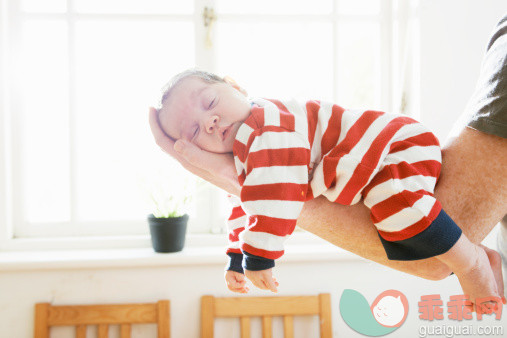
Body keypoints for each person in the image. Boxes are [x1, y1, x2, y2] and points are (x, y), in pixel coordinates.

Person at [152, 67, 504, 310]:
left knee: (399, 208)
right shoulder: (248, 157)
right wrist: (235, 258)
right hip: (376, 163)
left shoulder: (263, 128)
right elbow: (245, 204)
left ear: (236, 86)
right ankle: (469, 251)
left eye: (210, 103)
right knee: (395, 220)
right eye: (196, 132)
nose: (210, 122)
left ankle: (470, 262)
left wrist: (260, 257)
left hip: (392, 148)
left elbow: (278, 195)